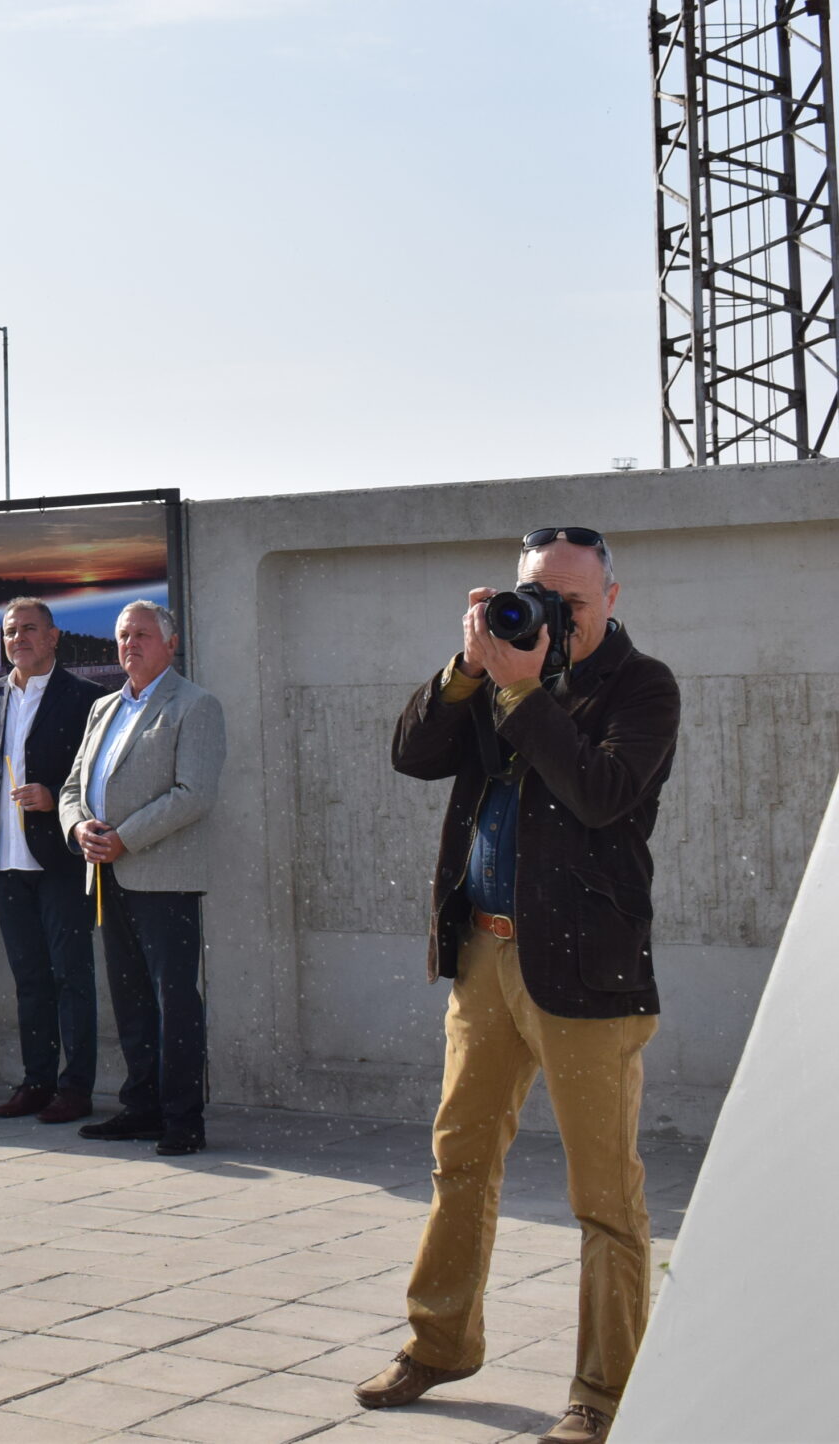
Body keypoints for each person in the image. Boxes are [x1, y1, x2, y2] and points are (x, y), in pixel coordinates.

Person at [356, 530, 678, 1444]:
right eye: (538, 594)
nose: (553, 616)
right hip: (485, 957)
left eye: (572, 602)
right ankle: (440, 1343)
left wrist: (526, 691)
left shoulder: (642, 685)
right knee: (459, 1161)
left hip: (585, 970)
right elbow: (413, 753)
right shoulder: (496, 664)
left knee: (604, 1197)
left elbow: (602, 792)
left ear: (612, 597)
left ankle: (604, 1393)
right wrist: (468, 668)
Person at [59, 600, 223, 1156]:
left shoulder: (195, 705)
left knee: (173, 1002)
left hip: (163, 878)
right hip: (106, 876)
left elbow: (194, 794)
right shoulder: (103, 707)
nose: (130, 644)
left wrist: (125, 837)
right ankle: (141, 1107)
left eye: (143, 635)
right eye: (124, 635)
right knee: (129, 999)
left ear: (170, 644)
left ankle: (183, 1119)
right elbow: (72, 786)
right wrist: (78, 827)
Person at [0, 597, 104, 1123]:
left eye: (29, 629)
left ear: (53, 636)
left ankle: (76, 1089)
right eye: (10, 631)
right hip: (7, 862)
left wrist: (54, 795)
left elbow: (99, 778)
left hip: (61, 860)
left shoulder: (86, 698)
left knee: (72, 978)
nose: (18, 638)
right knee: (30, 979)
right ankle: (36, 1082)